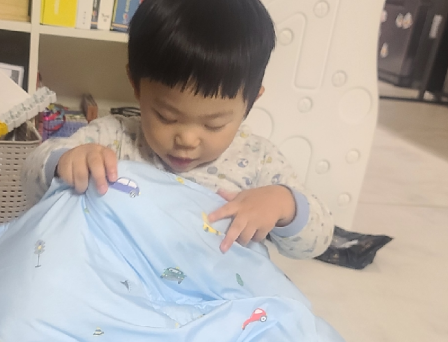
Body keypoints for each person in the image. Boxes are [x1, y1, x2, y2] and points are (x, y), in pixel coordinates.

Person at [21, 0, 334, 259]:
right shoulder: (114, 137)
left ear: (250, 104)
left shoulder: (258, 160)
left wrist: (283, 204)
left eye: (214, 124)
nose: (187, 139)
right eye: (166, 116)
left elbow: (317, 239)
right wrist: (66, 162)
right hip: (119, 289)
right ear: (136, 86)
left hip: (217, 300)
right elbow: (29, 176)